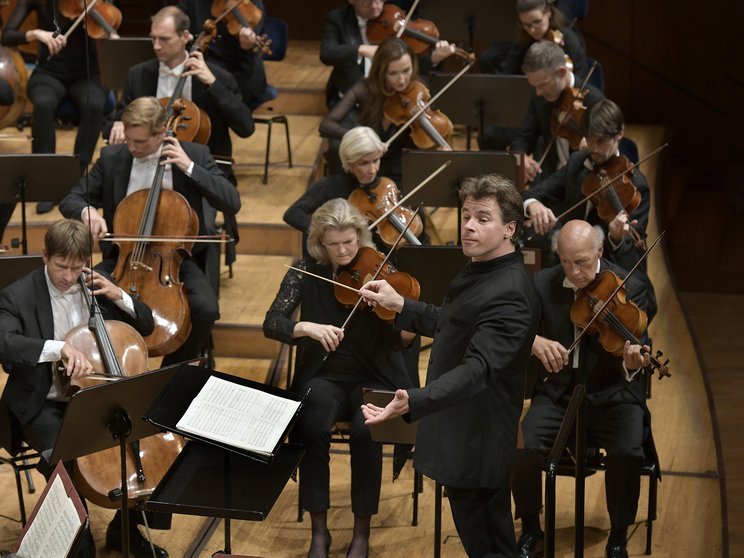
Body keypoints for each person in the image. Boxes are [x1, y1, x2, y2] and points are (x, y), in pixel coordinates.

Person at [359, 174, 541, 557]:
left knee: (491, 548)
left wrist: (415, 399)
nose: (470, 225)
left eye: (483, 218)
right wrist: (401, 305)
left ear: (510, 228)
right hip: (461, 430)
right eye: (466, 215)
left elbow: (478, 369)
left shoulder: (510, 292)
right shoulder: (481, 267)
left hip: (479, 441)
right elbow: (454, 324)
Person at [0, 219, 164, 558]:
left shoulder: (94, 286)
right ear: (45, 255)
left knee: (146, 440)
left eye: (77, 267)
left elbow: (147, 325)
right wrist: (57, 349)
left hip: (94, 396)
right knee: (68, 460)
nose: (68, 276)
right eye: (61, 266)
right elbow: (4, 343)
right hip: (43, 403)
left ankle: (125, 528)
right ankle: (81, 546)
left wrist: (119, 296)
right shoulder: (17, 294)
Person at [263, 198, 415, 558]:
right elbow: (273, 322)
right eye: (334, 244)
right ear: (320, 243)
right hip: (325, 375)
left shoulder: (379, 272)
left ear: (360, 236)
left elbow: (400, 339)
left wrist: (408, 320)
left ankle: (361, 533)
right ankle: (320, 532)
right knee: (312, 425)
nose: (344, 251)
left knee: (367, 430)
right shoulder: (305, 270)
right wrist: (306, 328)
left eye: (350, 241)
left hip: (374, 375)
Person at [59, 96, 241, 367]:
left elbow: (231, 201)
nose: (131, 147)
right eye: (129, 139)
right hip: (124, 257)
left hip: (175, 263)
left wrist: (188, 166)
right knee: (81, 298)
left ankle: (170, 373)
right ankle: (114, 368)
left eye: (140, 142)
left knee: (206, 309)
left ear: (161, 133)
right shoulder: (113, 157)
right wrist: (89, 212)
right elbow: (71, 198)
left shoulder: (194, 154)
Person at [511, 219, 654, 558]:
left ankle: (618, 533)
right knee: (522, 444)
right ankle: (531, 526)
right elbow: (520, 330)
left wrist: (632, 362)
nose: (574, 272)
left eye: (582, 262)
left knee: (627, 452)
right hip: (559, 392)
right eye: (565, 262)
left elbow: (641, 340)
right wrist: (535, 342)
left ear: (600, 251)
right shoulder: (544, 283)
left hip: (613, 391)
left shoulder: (631, 284)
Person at [522, 98, 657, 319]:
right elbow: (535, 192)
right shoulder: (579, 161)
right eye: (590, 140)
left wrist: (616, 237)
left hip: (606, 269)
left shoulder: (636, 186)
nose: (593, 148)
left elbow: (634, 251)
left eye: (601, 142)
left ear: (619, 134)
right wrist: (533, 205)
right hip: (565, 259)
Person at [104, 6, 255, 171]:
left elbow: (246, 127)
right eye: (153, 38)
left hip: (201, 170)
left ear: (184, 36)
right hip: (149, 166)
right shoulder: (139, 75)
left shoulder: (217, 77)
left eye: (164, 39)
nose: (156, 46)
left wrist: (213, 84)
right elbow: (109, 126)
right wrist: (119, 124)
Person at [1, 0, 112, 213]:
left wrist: (107, 27)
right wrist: (35, 34)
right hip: (50, 72)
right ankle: (47, 183)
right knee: (43, 103)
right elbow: (7, 35)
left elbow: (109, 29)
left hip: (87, 74)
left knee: (94, 104)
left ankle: (76, 180)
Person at [320, 37, 450, 181]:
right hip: (368, 169)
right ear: (381, 71)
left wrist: (439, 148)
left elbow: (429, 135)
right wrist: (363, 140)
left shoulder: (418, 90)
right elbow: (326, 125)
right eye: (393, 73)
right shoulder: (364, 88)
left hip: (402, 169)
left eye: (406, 70)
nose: (401, 80)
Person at [481, 40, 604, 182]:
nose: (538, 92)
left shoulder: (594, 102)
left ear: (562, 72)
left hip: (581, 185)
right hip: (550, 180)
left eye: (543, 85)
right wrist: (520, 156)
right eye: (534, 86)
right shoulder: (540, 95)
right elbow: (524, 137)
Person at [320, 0, 455, 108]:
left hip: (396, 95)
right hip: (358, 94)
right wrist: (362, 49)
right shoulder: (337, 18)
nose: (374, 5)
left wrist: (434, 58)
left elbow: (412, 64)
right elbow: (327, 53)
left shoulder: (394, 14)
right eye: (366, 1)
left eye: (378, 0)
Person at [176, 0, 273, 109]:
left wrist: (247, 47)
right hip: (203, 65)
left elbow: (250, 51)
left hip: (240, 71)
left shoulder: (250, 4)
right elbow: (176, 15)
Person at [479, 0, 587, 80]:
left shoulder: (569, 41)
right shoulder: (526, 36)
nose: (532, 30)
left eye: (537, 22)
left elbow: (578, 80)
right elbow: (509, 72)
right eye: (526, 25)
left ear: (548, 12)